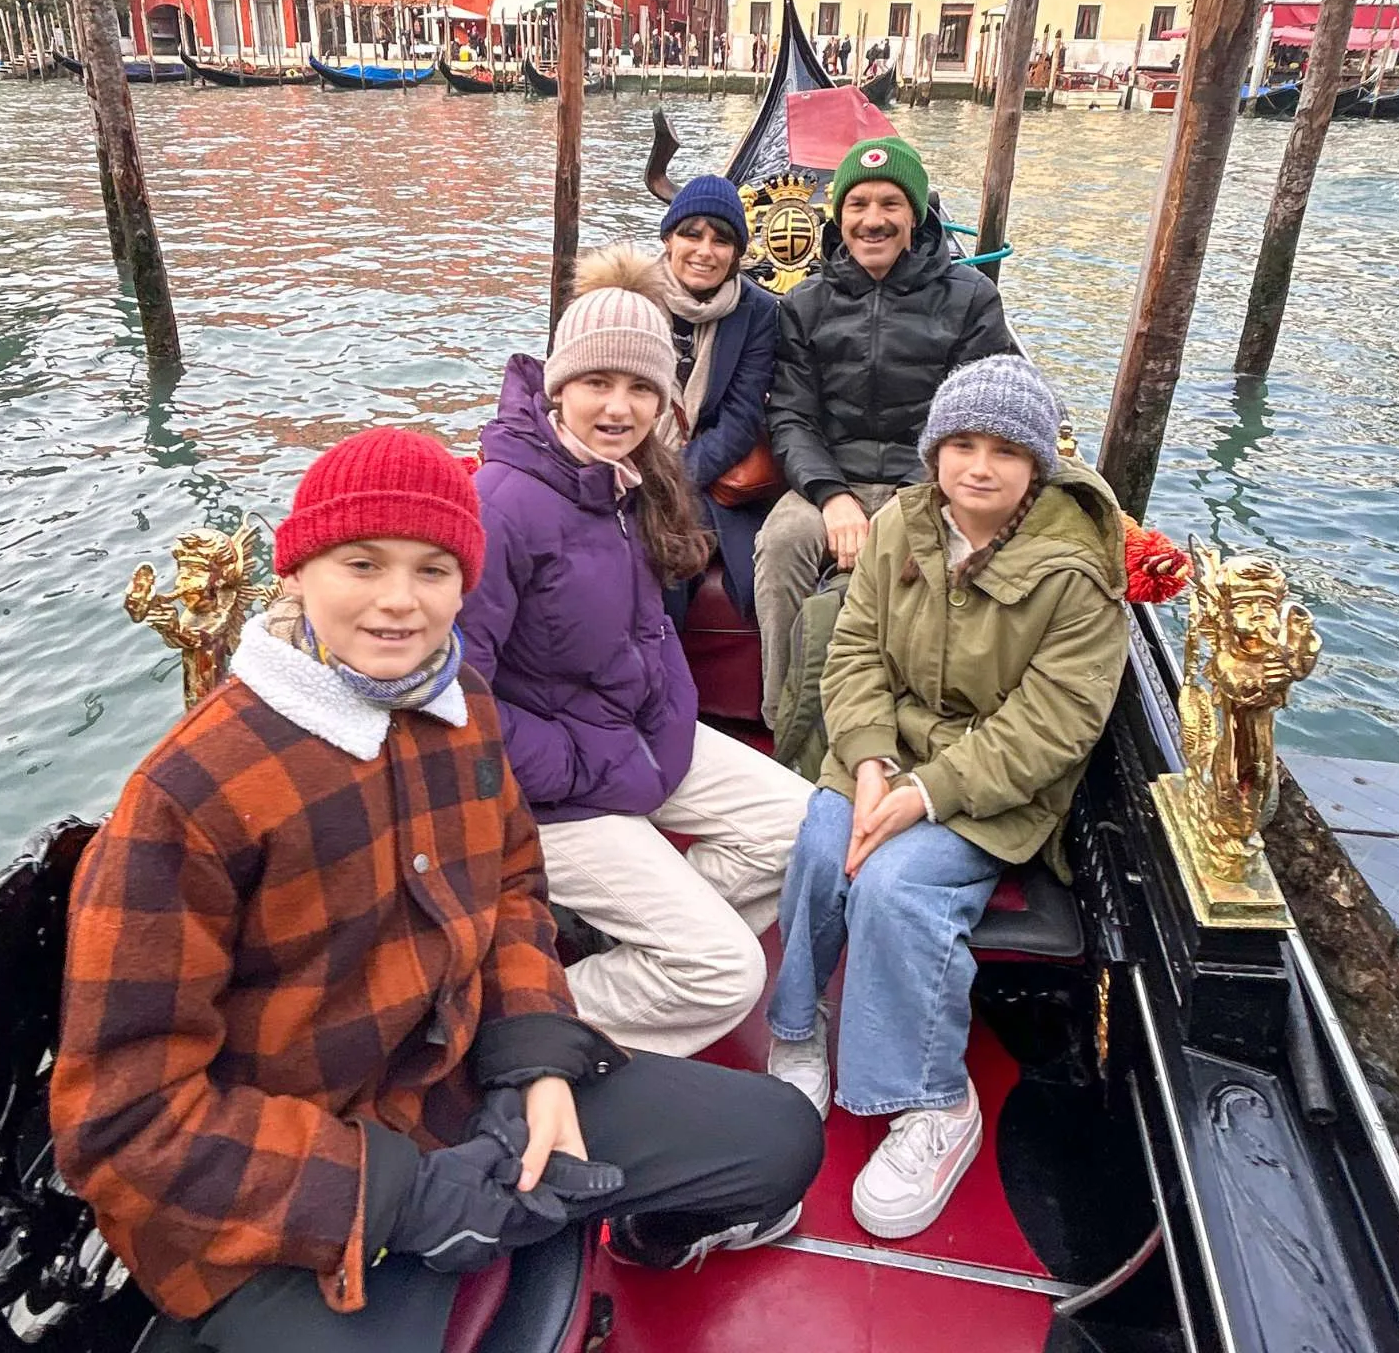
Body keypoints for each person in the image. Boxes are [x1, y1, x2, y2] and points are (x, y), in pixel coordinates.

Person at [51, 429, 824, 1353]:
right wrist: (401, 1195)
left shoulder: (458, 714)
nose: (398, 602)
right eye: (362, 563)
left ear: (466, 585)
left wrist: (534, 1060)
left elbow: (509, 891)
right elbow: (123, 1116)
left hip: (459, 1091)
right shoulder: (194, 795)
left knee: (777, 1139)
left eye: (433, 570)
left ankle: (625, 1233)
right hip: (290, 1177)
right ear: (297, 572)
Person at [764, 358, 1129, 1240]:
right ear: (934, 452)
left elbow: (1054, 725)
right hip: (886, 757)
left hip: (997, 785)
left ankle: (935, 1099)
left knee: (896, 885)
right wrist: (868, 764)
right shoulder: (902, 525)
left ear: (1036, 465)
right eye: (960, 444)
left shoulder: (1075, 575)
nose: (977, 466)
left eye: (1004, 451)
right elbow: (854, 653)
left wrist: (928, 793)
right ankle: (800, 1024)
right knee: (819, 842)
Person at [460, 282, 813, 1059]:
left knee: (803, 824)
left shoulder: (630, 482)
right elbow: (461, 696)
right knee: (724, 974)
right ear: (560, 387)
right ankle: (509, 1030)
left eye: (641, 387)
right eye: (597, 382)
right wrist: (580, 765)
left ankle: (634, 952)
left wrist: (664, 712)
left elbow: (649, 630)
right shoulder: (501, 504)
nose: (618, 407)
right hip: (546, 791)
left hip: (629, 739)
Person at [756, 135, 1013, 727]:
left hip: (928, 485)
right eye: (858, 204)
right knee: (781, 544)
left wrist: (910, 498)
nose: (873, 220)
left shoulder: (971, 299)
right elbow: (792, 416)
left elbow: (973, 419)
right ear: (839, 216)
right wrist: (832, 496)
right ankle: (785, 718)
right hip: (830, 480)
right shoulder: (805, 305)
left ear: (915, 215)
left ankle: (918, 718)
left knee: (930, 556)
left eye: (890, 204)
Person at [641, 172, 777, 619]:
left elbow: (740, 420)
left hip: (698, 475)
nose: (704, 251)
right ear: (668, 239)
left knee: (672, 552)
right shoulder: (632, 296)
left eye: (721, 240)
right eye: (691, 234)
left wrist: (668, 481)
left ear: (737, 253)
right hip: (628, 459)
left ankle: (665, 671)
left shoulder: (757, 312)